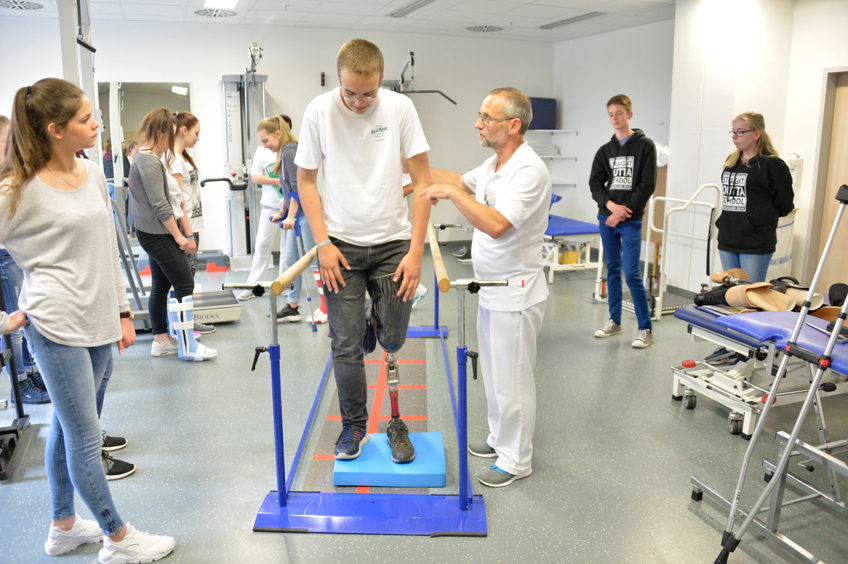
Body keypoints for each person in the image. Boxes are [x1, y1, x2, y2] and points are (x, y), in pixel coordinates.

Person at [0, 78, 174, 562]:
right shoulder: (17, 189)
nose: (96, 123)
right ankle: (117, 538)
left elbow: (107, 249)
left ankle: (63, 527)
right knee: (84, 435)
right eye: (84, 119)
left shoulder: (90, 171)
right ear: (55, 130)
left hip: (98, 317)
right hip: (55, 323)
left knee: (70, 423)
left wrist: (123, 312)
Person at [296, 39, 432, 463]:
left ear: (380, 80)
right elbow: (305, 182)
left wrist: (416, 253)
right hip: (340, 248)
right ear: (338, 78)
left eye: (368, 93)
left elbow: (424, 183)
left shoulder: (399, 109)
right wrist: (322, 244)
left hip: (393, 245)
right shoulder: (319, 111)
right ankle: (354, 426)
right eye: (350, 92)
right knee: (346, 344)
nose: (359, 102)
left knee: (392, 338)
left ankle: (377, 321)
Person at [424, 87, 551, 487]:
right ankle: (500, 439)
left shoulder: (529, 171)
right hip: (492, 288)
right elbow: (458, 180)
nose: (478, 124)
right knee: (496, 377)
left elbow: (496, 224)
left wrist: (448, 193)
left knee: (513, 380)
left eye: (486, 118)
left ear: (512, 126)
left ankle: (516, 460)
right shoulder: (496, 163)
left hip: (516, 291)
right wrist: (415, 176)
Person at [128, 108, 216, 361]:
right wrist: (180, 236)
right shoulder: (146, 160)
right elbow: (160, 204)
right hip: (156, 233)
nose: (171, 141)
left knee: (162, 285)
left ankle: (162, 341)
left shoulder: (152, 158)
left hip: (155, 232)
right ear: (160, 133)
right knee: (184, 283)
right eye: (169, 135)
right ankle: (188, 345)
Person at [589, 94, 656, 349]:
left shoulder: (645, 146)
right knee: (612, 271)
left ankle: (645, 328)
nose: (615, 118)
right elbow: (595, 184)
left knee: (632, 273)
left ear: (629, 114)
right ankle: (614, 320)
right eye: (610, 114)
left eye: (619, 113)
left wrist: (623, 211)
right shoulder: (605, 151)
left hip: (629, 220)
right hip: (607, 218)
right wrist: (611, 207)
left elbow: (647, 184)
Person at [0, 114, 49, 404]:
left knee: (24, 318)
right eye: (6, 143)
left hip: (15, 253)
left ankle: (30, 371)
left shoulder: (12, 177)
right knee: (14, 323)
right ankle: (20, 382)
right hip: (4, 256)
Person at [717, 112, 794, 283]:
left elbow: (785, 203)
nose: (735, 136)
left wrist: (758, 220)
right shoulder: (732, 161)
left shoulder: (772, 164)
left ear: (757, 134)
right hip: (728, 238)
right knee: (730, 296)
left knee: (749, 296)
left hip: (755, 241)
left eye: (741, 132)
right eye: (733, 132)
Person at [168, 111, 215, 334]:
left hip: (192, 226)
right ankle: (182, 327)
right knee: (184, 280)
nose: (198, 138)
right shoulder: (175, 159)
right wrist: (187, 234)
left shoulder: (182, 156)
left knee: (187, 278)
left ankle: (184, 323)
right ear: (183, 131)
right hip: (186, 228)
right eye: (196, 133)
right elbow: (178, 203)